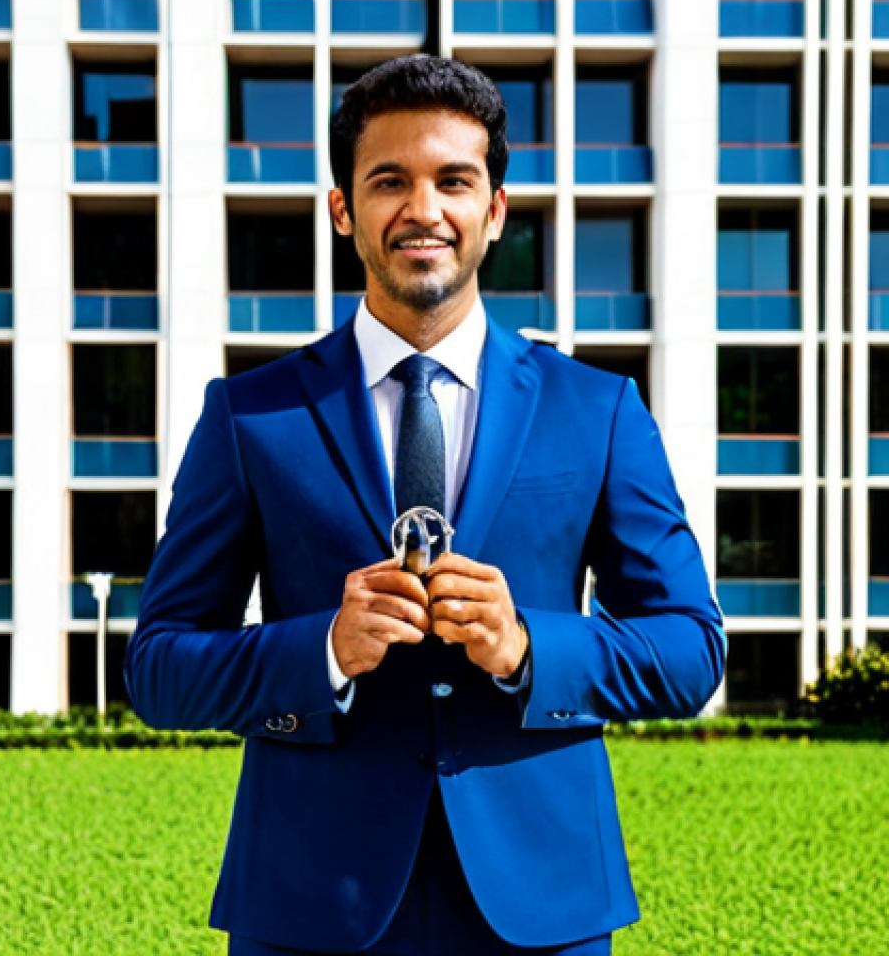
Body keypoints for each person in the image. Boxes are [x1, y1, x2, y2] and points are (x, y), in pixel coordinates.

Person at [125, 55, 725, 956]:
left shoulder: (597, 410)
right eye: (388, 182)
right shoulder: (250, 417)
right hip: (310, 906)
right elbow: (159, 669)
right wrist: (323, 650)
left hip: (544, 907)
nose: (423, 209)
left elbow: (690, 650)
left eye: (453, 181)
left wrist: (529, 646)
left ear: (495, 210)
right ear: (343, 209)